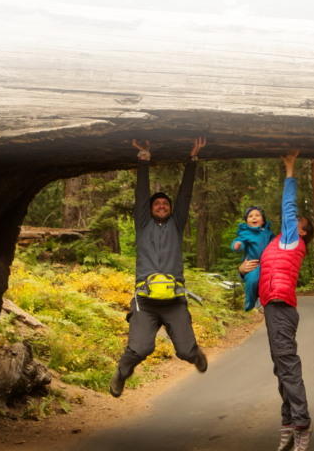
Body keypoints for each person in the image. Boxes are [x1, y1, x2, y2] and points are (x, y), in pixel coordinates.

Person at [110, 137, 208, 398]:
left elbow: (185, 194)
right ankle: (121, 372)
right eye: (157, 204)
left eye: (165, 204)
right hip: (146, 301)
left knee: (186, 352)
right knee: (140, 349)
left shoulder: (177, 224)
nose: (162, 206)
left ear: (170, 209)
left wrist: (192, 159)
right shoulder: (142, 224)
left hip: (175, 300)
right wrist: (144, 158)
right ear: (151, 209)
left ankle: (195, 353)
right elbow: (141, 193)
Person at [239, 149, 314, 451]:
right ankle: (287, 421)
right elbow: (254, 267)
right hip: (273, 309)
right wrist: (242, 269)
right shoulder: (274, 244)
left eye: (297, 221)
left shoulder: (291, 240)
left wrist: (290, 169)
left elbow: (288, 206)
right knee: (280, 367)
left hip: (282, 308)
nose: (292, 221)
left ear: (303, 231)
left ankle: (302, 424)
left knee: (288, 367)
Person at [231, 205, 274, 312]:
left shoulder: (268, 233)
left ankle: (266, 300)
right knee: (252, 281)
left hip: (268, 263)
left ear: (263, 221)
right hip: (253, 263)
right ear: (246, 222)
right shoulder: (246, 233)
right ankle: (250, 301)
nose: (254, 218)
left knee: (269, 282)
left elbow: (275, 243)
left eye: (257, 215)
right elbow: (240, 241)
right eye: (250, 216)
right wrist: (237, 245)